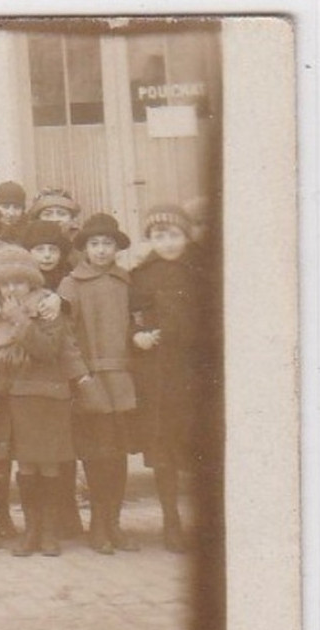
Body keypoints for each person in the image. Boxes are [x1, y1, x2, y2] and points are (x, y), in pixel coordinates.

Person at [0, 246, 87, 557]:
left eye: (18, 281)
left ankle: (49, 531)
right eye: (4, 283)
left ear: (31, 282)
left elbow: (47, 349)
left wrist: (21, 321)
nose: (11, 289)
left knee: (49, 465)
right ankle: (31, 530)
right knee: (27, 465)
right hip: (18, 399)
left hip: (48, 397)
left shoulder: (47, 307)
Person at [130, 203, 210, 553]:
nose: (167, 243)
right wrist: (137, 337)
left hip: (197, 373)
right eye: (159, 236)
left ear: (186, 235)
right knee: (163, 451)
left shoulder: (202, 270)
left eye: (174, 234)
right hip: (159, 375)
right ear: (149, 240)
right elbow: (130, 317)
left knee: (198, 448)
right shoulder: (142, 274)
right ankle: (170, 521)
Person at [58, 212, 139, 554]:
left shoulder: (125, 281)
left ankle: (114, 524)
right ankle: (98, 525)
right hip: (90, 379)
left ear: (116, 248)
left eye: (108, 244)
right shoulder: (71, 284)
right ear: (84, 248)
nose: (102, 250)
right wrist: (80, 375)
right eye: (95, 244)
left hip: (122, 378)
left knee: (118, 454)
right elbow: (65, 336)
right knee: (97, 455)